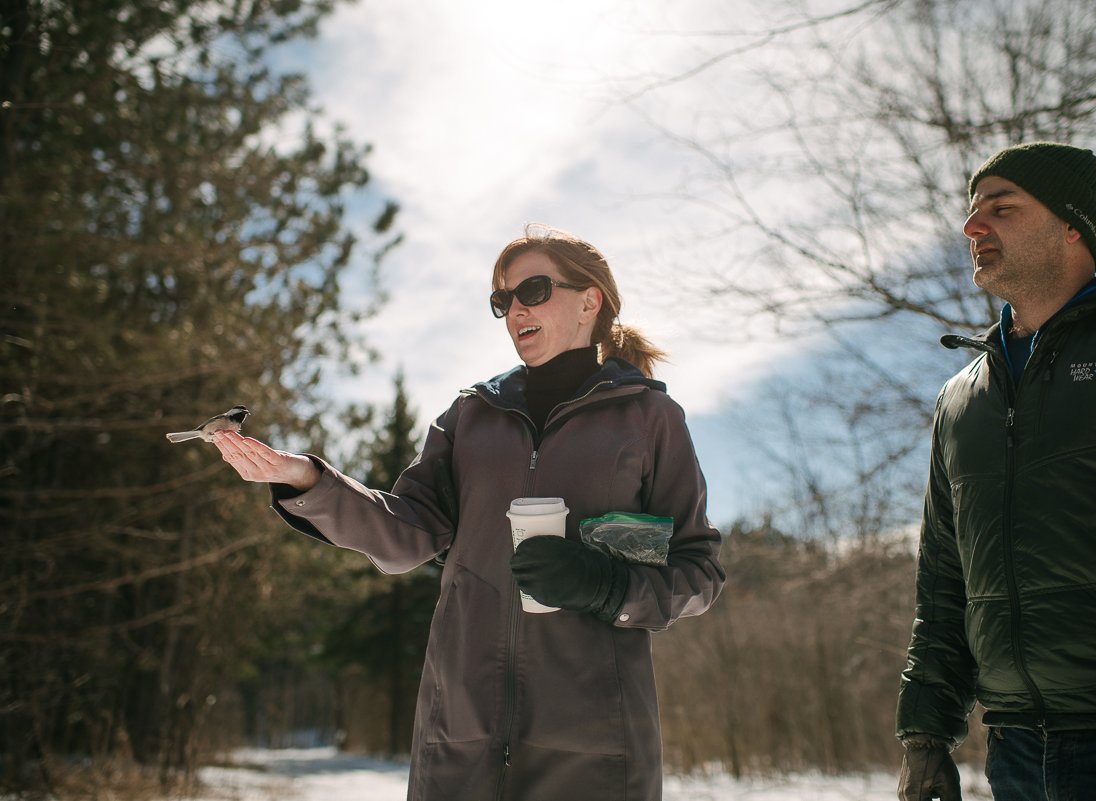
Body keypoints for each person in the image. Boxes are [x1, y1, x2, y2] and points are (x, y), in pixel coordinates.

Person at [213, 223, 725, 801]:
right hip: (460, 737)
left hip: (594, 746)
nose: (513, 310)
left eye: (532, 291)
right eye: (501, 300)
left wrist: (603, 584)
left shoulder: (648, 419)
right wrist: (305, 479)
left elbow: (696, 573)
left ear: (590, 300)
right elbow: (407, 532)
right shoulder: (472, 416)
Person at [895, 142, 1096, 800]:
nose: (974, 227)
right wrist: (925, 737)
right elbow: (945, 586)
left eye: (1001, 209)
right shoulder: (960, 399)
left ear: (1073, 226)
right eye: (973, 213)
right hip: (1016, 756)